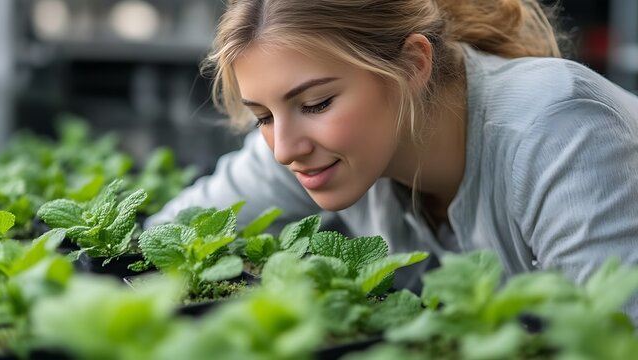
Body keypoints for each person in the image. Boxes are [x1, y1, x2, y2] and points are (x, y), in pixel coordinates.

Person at [146, 0, 638, 322]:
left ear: (413, 64)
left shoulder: (559, 128)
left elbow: (613, 335)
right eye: (262, 116)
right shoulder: (312, 145)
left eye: (316, 103)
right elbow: (172, 235)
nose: (284, 149)